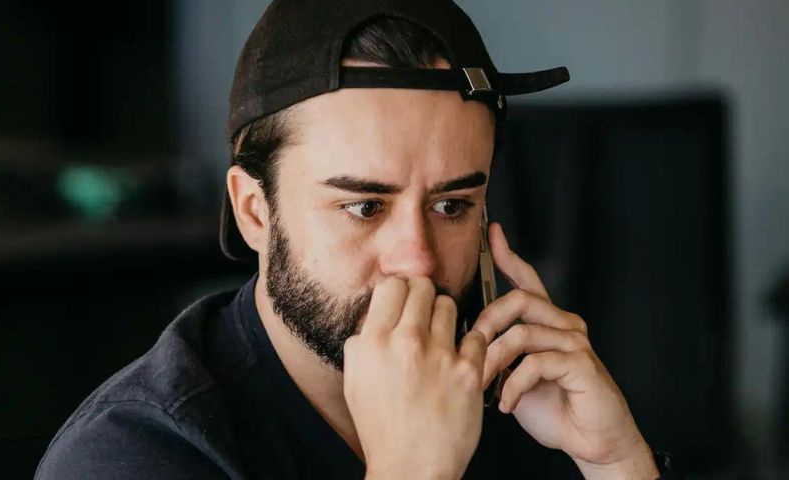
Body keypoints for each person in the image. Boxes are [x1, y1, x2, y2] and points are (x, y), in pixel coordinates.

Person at [36, 0, 681, 478]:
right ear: (256, 212)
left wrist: (617, 463)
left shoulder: (523, 410)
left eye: (453, 204)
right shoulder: (133, 456)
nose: (419, 260)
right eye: (365, 206)